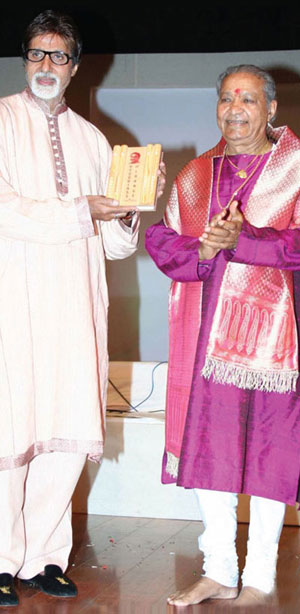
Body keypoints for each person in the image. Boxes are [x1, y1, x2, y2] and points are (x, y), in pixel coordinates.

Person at [0, 9, 165, 608]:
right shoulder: (1, 120)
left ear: (74, 67)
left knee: (65, 432)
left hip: (75, 300)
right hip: (12, 299)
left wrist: (125, 211)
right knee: (12, 429)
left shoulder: (95, 140)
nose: (47, 66)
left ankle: (44, 558)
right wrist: (80, 213)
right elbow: (5, 208)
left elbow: (116, 245)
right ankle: (1, 559)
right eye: (37, 54)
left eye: (59, 56)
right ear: (26, 60)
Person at [145, 64, 300, 607]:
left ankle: (258, 576)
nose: (235, 109)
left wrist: (247, 238)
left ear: (271, 109)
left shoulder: (296, 168)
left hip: (276, 339)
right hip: (204, 335)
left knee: (268, 450)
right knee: (208, 446)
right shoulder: (195, 176)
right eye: (227, 98)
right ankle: (218, 569)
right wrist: (207, 250)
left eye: (249, 99)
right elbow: (163, 243)